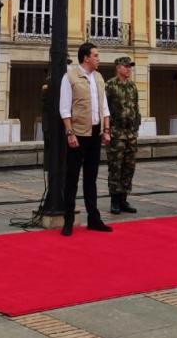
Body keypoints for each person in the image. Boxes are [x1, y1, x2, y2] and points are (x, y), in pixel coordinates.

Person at [59, 43, 113, 236]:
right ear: (86, 58)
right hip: (78, 134)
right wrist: (70, 133)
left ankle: (94, 218)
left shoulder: (98, 77)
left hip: (96, 133)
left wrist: (106, 130)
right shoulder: (70, 77)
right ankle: (69, 219)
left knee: (91, 178)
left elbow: (104, 107)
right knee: (72, 178)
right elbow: (65, 108)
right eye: (96, 55)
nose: (98, 58)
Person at [105, 57, 141, 215]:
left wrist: (136, 128)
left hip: (130, 133)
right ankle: (114, 200)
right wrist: (106, 130)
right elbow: (104, 109)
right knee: (115, 166)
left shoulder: (132, 87)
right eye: (126, 67)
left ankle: (123, 199)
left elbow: (136, 108)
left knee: (129, 166)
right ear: (118, 68)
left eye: (130, 67)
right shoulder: (110, 85)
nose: (129, 69)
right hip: (116, 132)